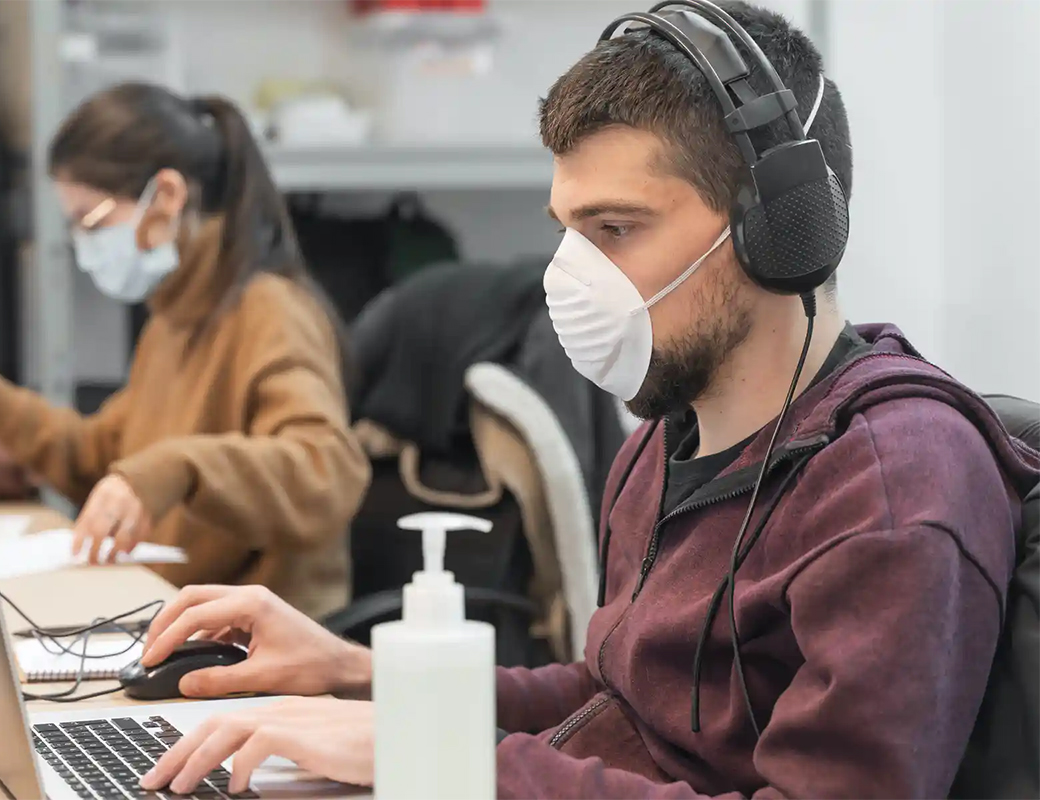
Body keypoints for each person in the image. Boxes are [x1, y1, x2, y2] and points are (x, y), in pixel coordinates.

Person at [125, 3, 1040, 798]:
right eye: (569, 231)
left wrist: (441, 762)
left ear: (780, 229)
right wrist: (355, 677)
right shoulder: (663, 442)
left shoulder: (891, 486)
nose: (575, 277)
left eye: (616, 230)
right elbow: (617, 706)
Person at [0, 84, 370, 619]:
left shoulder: (271, 312)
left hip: (257, 642)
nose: (85, 246)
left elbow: (325, 472)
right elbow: (97, 456)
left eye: (92, 221)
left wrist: (177, 467)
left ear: (169, 197)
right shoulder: (175, 316)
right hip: (168, 612)